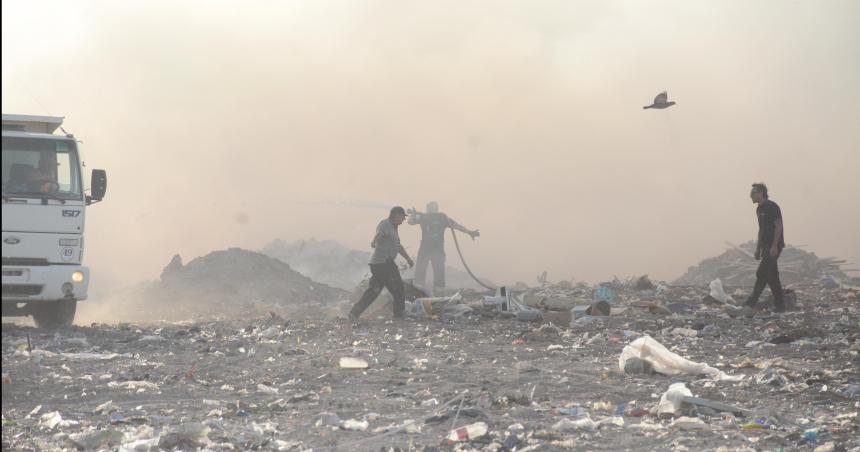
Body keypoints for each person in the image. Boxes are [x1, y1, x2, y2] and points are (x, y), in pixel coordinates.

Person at [348, 206, 414, 321]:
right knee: (398, 288)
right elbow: (379, 234)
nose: (403, 220)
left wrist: (408, 258)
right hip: (383, 264)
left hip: (379, 264)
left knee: (374, 291)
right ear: (397, 215)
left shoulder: (393, 228)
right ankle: (399, 314)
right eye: (403, 217)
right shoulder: (385, 224)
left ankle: (354, 313)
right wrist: (374, 241)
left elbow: (398, 246)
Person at [408, 201, 479, 295]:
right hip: (429, 251)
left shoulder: (436, 217)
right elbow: (410, 221)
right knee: (429, 274)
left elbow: (411, 222)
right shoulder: (436, 217)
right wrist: (413, 215)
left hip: (433, 251)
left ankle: (432, 295)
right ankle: (422, 294)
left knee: (433, 274)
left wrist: (469, 232)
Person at [745, 183, 786, 312]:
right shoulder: (759, 209)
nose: (751, 196)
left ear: (761, 193)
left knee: (761, 273)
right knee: (772, 276)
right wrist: (758, 248)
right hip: (765, 246)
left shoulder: (772, 207)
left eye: (753, 193)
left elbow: (779, 226)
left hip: (774, 246)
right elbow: (761, 230)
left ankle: (751, 303)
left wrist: (774, 246)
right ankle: (780, 306)